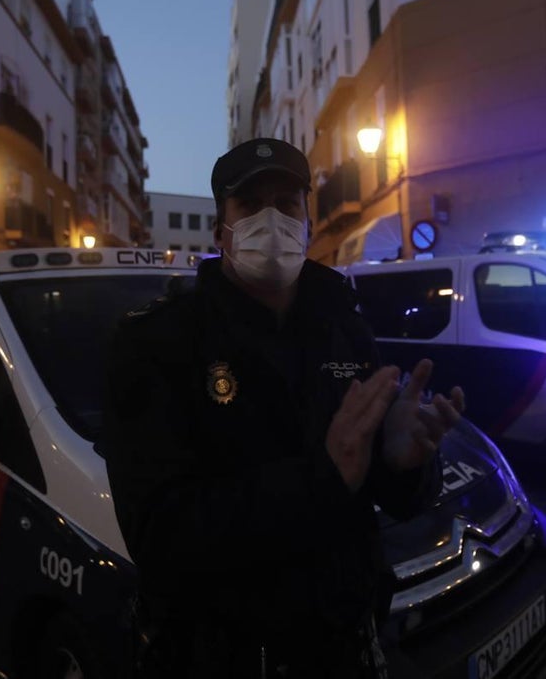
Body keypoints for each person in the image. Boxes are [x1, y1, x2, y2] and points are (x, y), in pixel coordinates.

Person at [105, 137, 465, 678]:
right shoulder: (160, 344)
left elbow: (380, 492)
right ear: (219, 229)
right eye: (250, 205)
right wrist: (323, 476)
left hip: (346, 646)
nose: (270, 221)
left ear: (308, 222)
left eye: (287, 203)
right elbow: (160, 536)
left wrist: (403, 463)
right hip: (220, 658)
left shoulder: (343, 325)